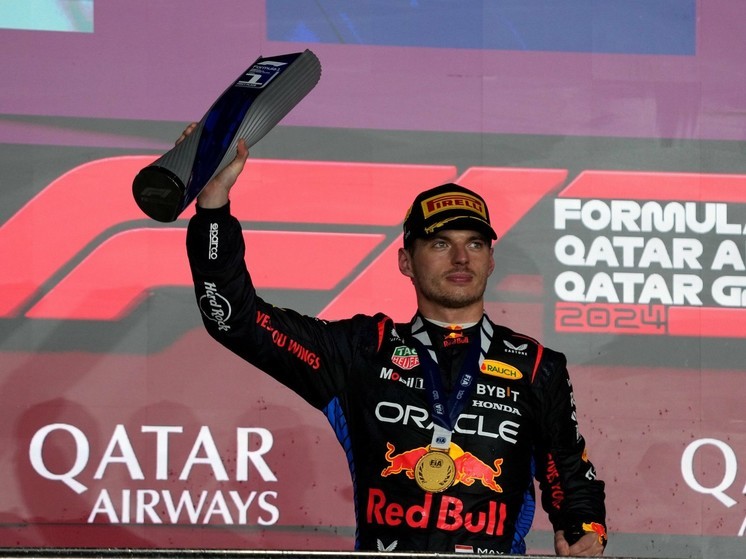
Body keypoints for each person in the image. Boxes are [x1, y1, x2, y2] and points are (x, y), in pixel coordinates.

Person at [184, 131, 607, 556]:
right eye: (440, 243)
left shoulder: (536, 366)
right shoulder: (362, 351)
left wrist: (582, 530)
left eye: (475, 244)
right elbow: (236, 320)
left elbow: (569, 473)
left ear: (491, 261)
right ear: (406, 261)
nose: (461, 258)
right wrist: (213, 208)